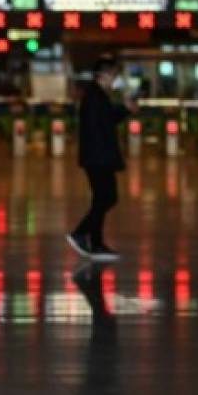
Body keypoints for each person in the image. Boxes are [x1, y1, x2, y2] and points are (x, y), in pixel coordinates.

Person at [67, 56, 137, 262]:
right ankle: (80, 234)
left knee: (102, 198)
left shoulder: (98, 95)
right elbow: (103, 123)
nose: (115, 79)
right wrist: (123, 109)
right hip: (98, 158)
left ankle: (96, 243)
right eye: (113, 75)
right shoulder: (94, 96)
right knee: (108, 197)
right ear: (103, 75)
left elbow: (108, 119)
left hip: (98, 156)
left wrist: (125, 110)